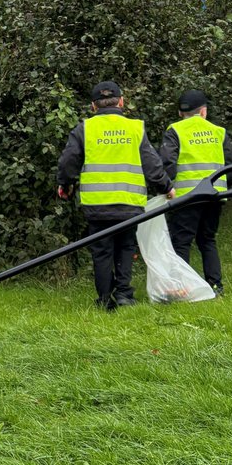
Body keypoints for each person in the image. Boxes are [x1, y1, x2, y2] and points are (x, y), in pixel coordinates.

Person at [56, 80, 174, 310]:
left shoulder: (85, 129)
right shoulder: (135, 128)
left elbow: (68, 161)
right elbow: (152, 164)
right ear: (121, 101)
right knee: (125, 247)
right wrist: (166, 187)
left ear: (93, 106)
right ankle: (124, 295)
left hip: (97, 204)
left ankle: (104, 299)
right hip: (129, 203)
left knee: (101, 251)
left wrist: (65, 185)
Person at [159, 89, 232, 296]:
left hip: (187, 196)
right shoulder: (218, 131)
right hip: (214, 195)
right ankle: (215, 285)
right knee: (207, 239)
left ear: (180, 113)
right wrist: (223, 185)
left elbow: (167, 162)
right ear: (203, 111)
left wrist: (166, 188)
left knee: (181, 242)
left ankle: (182, 288)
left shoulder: (175, 130)